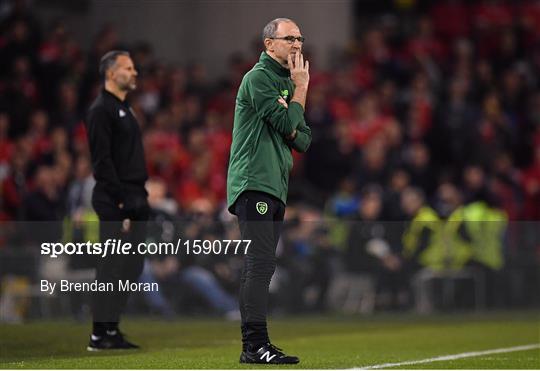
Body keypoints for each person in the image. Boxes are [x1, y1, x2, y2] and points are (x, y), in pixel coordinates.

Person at [227, 18, 311, 364]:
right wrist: (301, 90)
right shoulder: (259, 78)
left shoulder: (283, 82)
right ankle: (253, 345)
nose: (297, 44)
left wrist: (293, 111)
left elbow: (304, 140)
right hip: (253, 183)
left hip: (275, 185)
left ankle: (259, 343)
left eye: (300, 38)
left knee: (264, 266)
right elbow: (292, 125)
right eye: (289, 38)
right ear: (268, 45)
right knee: (258, 265)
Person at [85, 50, 149, 350]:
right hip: (117, 199)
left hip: (136, 195)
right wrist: (120, 201)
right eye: (128, 67)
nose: (134, 72)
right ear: (111, 73)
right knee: (111, 266)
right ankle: (99, 333)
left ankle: (111, 328)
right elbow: (102, 162)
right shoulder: (101, 110)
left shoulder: (125, 107)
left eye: (134, 67)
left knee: (132, 267)